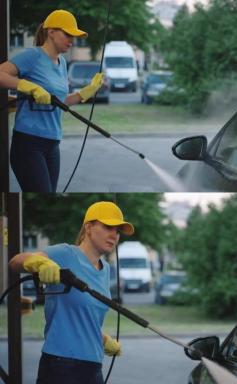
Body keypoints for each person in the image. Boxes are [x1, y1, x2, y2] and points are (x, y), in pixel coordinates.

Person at [9, 201, 134, 384]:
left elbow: (83, 317)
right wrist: (40, 263)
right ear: (89, 227)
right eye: (108, 227)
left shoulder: (105, 269)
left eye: (118, 231)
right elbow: (15, 261)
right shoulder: (65, 254)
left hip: (93, 367)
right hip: (61, 366)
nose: (114, 235)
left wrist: (102, 339)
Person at [0, 9, 103, 192]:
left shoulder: (62, 63)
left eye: (74, 36)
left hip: (52, 143)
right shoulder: (32, 56)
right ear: (51, 32)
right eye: (67, 34)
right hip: (28, 143)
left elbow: (60, 101)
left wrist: (87, 91)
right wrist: (27, 86)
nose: (72, 40)